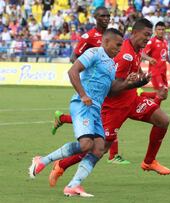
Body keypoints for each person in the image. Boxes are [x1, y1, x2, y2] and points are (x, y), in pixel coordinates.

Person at [47, 19, 170, 189]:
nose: (148, 39)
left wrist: (144, 84)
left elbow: (132, 79)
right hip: (114, 108)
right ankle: (62, 165)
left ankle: (149, 161)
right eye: (146, 35)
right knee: (99, 148)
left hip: (132, 100)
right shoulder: (124, 53)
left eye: (150, 35)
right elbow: (112, 89)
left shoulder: (137, 50)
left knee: (163, 120)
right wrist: (135, 84)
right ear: (134, 33)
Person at [28, 28, 150, 197]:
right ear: (106, 42)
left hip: (96, 109)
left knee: (99, 149)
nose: (119, 49)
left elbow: (112, 91)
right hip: (82, 104)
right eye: (117, 45)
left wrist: (131, 84)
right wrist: (83, 95)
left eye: (121, 45)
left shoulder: (110, 64)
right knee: (86, 144)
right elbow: (72, 71)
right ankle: (42, 160)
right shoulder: (93, 52)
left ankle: (73, 185)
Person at [51, 7, 131, 166]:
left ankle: (62, 119)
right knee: (107, 120)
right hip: (91, 86)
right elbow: (75, 57)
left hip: (106, 83)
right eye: (102, 16)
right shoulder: (88, 37)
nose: (106, 18)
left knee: (106, 118)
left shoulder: (113, 36)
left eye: (108, 15)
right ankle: (112, 154)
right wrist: (87, 73)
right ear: (95, 17)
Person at [141, 21, 170, 105]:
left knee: (164, 95)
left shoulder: (165, 41)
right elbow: (142, 53)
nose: (161, 31)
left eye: (163, 29)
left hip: (163, 71)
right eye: (159, 29)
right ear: (155, 31)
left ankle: (142, 95)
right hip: (155, 71)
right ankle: (154, 112)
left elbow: (164, 54)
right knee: (161, 92)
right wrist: (149, 59)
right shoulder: (152, 41)